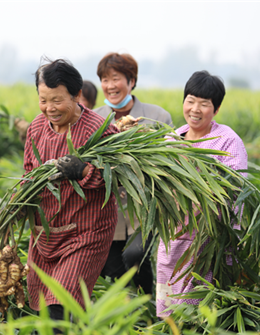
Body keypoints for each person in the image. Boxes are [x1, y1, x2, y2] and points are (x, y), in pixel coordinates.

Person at [24, 58, 118, 321]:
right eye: (43, 100)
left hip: (85, 235)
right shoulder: (36, 128)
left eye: (57, 100)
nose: (49, 108)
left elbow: (117, 178)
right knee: (41, 309)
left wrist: (85, 171)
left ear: (78, 95)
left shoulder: (99, 130)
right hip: (45, 234)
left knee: (59, 306)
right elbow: (28, 172)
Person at [156, 70, 248, 316]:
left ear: (215, 109)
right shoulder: (172, 139)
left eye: (204, 104)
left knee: (199, 312)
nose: (195, 109)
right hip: (173, 237)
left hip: (208, 242)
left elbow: (235, 186)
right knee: (168, 308)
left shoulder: (227, 140)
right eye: (190, 101)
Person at [94, 52, 172, 295]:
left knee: (136, 254)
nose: (109, 86)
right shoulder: (94, 119)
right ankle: (136, 319)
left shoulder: (156, 117)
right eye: (104, 80)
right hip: (108, 212)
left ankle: (146, 309)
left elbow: (170, 160)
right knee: (115, 271)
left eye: (115, 78)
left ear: (131, 81)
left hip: (144, 210)